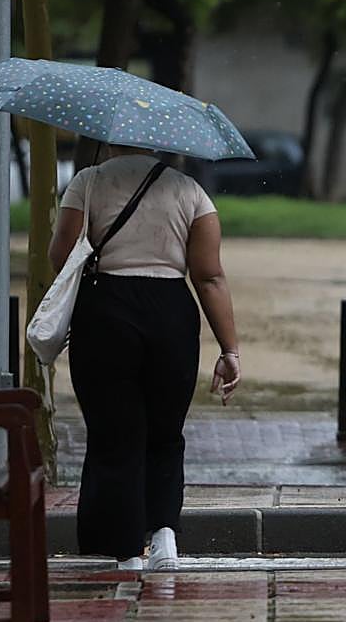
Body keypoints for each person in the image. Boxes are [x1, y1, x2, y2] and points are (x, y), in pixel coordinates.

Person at [49, 145, 241, 571]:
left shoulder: (88, 182)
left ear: (114, 138)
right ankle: (164, 538)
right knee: (166, 431)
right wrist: (229, 349)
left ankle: (124, 551)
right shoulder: (190, 192)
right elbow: (209, 276)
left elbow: (60, 255)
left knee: (115, 432)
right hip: (171, 311)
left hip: (106, 312)